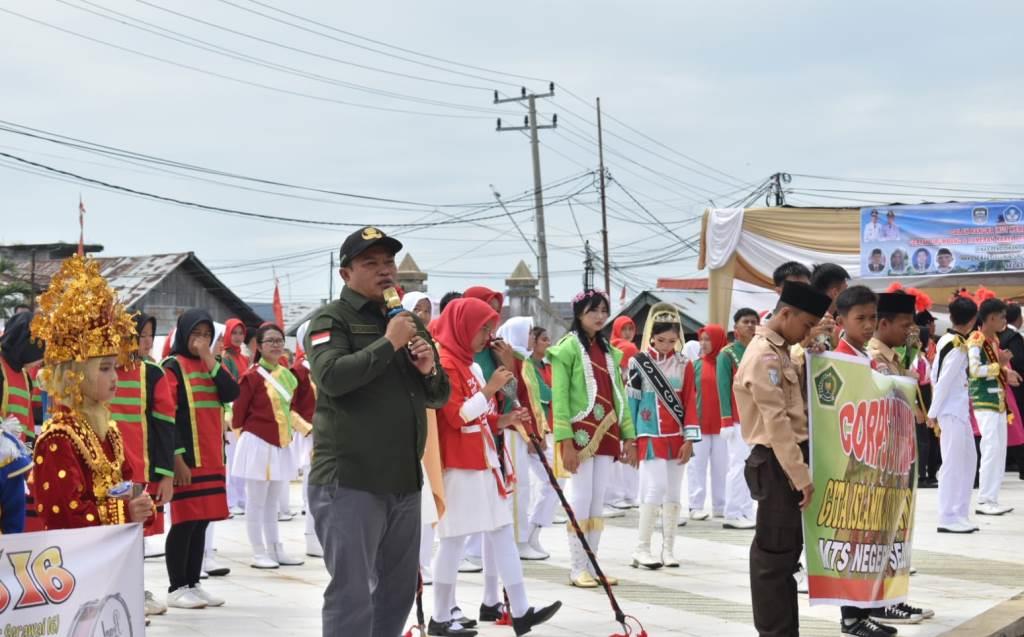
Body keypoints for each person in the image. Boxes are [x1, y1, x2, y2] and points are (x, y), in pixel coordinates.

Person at [304, 226, 450, 637]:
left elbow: (438, 396)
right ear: (345, 274)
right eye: (371, 263)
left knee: (397, 591)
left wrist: (428, 369)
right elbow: (331, 376)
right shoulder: (332, 319)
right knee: (351, 594)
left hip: (403, 480)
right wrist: (388, 343)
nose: (384, 271)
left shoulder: (404, 321)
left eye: (388, 262)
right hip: (351, 479)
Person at [429, 298, 561, 637]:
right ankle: (439, 615)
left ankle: (521, 610)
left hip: (483, 459)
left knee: (502, 530)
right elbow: (456, 416)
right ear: (462, 327)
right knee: (454, 539)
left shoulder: (467, 363)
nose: (487, 337)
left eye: (490, 328)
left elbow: (480, 415)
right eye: (483, 329)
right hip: (460, 462)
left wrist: (504, 419)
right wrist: (490, 389)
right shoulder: (445, 363)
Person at [733, 280, 831, 637]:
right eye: (805, 325)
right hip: (776, 463)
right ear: (786, 313)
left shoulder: (783, 350)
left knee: (787, 556)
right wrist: (799, 474)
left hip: (786, 460)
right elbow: (776, 423)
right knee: (773, 560)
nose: (807, 333)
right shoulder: (763, 355)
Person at [29, 256, 155, 532]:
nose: (115, 377)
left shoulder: (108, 431)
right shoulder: (59, 437)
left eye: (115, 368)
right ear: (78, 373)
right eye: (105, 368)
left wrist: (142, 506)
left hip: (112, 559)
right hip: (77, 568)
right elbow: (65, 516)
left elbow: (127, 484)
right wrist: (125, 512)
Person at [549, 289, 637, 588]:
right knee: (580, 499)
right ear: (578, 314)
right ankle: (577, 567)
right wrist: (565, 440)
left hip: (607, 431)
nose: (600, 316)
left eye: (603, 310)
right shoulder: (566, 349)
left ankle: (593, 564)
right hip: (580, 433)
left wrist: (630, 437)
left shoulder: (610, 351)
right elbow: (559, 398)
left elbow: (620, 396)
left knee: (597, 501)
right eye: (593, 311)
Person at [831, 286, 903, 636]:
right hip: (850, 463)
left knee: (869, 539)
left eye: (872, 317)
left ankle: (866, 608)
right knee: (853, 539)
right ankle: (851, 617)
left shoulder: (866, 356)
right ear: (840, 320)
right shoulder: (836, 357)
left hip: (876, 461)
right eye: (860, 318)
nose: (868, 324)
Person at [163, 310, 240, 610]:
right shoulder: (172, 367)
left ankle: (193, 583)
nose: (202, 340)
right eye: (197, 334)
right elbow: (168, 416)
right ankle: (176, 586)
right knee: (184, 522)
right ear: (184, 334)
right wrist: (177, 459)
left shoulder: (211, 365)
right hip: (188, 459)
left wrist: (208, 357)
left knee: (202, 522)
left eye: (207, 335)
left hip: (211, 457)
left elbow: (231, 391)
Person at [866, 293, 934, 627]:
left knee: (897, 532)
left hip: (898, 453)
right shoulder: (872, 355)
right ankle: (880, 603)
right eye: (905, 325)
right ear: (884, 323)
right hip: (881, 457)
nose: (910, 331)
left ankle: (894, 597)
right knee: (882, 534)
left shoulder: (892, 355)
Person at [111, 312, 177, 617]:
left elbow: (164, 425)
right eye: (139, 334)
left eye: (149, 334)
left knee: (134, 534)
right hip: (100, 469)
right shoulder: (101, 367)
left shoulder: (152, 373)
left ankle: (135, 589)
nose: (144, 341)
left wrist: (164, 475)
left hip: (137, 471)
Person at [231, 323, 310, 569]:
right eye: (270, 341)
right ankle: (258, 552)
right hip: (257, 442)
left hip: (281, 443)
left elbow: (291, 409)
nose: (276, 345)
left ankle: (276, 549)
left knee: (273, 503)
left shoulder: (287, 375)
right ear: (259, 346)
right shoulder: (251, 377)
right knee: (256, 501)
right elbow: (238, 415)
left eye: (279, 340)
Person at [626, 303, 698, 569]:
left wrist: (690, 439)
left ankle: (668, 550)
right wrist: (630, 440)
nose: (667, 345)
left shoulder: (684, 364)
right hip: (649, 433)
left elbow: (690, 401)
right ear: (651, 337)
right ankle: (641, 548)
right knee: (655, 488)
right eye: (661, 340)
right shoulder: (638, 363)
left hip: (678, 436)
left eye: (672, 340)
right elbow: (631, 403)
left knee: (674, 493)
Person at [495, 316, 553, 561]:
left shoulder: (525, 360)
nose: (531, 337)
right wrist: (528, 433)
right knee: (520, 489)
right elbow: (512, 400)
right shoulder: (513, 361)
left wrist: (538, 433)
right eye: (529, 333)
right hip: (514, 432)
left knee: (550, 481)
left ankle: (530, 534)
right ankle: (517, 542)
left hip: (530, 432)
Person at [930, 295, 980, 533]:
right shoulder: (956, 345)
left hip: (958, 410)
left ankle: (960, 512)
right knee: (952, 463)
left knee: (969, 460)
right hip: (950, 410)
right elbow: (943, 380)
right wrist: (933, 412)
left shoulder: (950, 340)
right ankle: (947, 516)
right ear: (972, 320)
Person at [969, 298, 1019, 516]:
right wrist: (1000, 364)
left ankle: (993, 497)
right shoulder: (976, 339)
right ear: (990, 318)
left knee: (998, 450)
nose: (1004, 321)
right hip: (984, 401)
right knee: (990, 449)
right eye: (1001, 317)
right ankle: (984, 499)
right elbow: (974, 370)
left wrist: (1007, 371)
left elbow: (995, 366)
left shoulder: (994, 340)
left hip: (998, 401)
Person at [717, 308, 759, 530]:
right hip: (736, 418)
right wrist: (725, 420)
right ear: (736, 328)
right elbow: (723, 388)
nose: (751, 326)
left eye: (754, 322)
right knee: (738, 464)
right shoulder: (727, 354)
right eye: (746, 322)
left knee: (751, 465)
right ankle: (732, 512)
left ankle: (745, 509)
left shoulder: (758, 351)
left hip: (755, 417)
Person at [688, 325, 729, 520]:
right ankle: (695, 506)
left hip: (723, 426)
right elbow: (689, 395)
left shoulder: (726, 364)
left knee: (722, 467)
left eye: (708, 339)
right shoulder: (695, 365)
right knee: (697, 466)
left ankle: (720, 506)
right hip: (700, 425)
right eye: (701, 339)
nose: (703, 344)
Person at [999, 303, 1024, 481]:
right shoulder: (1013, 337)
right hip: (1015, 386)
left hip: (1003, 383)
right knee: (1018, 424)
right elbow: (1020, 362)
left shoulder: (996, 336)